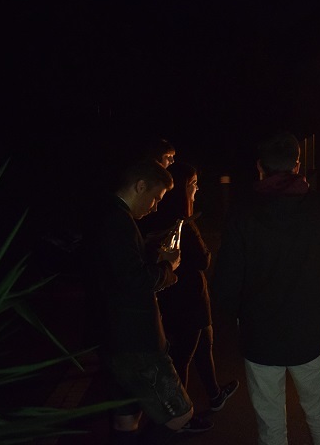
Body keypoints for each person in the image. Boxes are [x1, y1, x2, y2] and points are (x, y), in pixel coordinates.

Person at [211, 131, 320, 445]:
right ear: (297, 165)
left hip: (260, 338)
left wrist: (238, 322)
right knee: (319, 416)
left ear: (260, 166)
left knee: (271, 426)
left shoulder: (243, 213)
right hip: (309, 335)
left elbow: (226, 282)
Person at [87, 158, 204, 444]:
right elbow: (135, 281)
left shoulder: (105, 214)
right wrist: (168, 268)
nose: (155, 207)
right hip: (138, 342)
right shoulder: (119, 222)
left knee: (126, 420)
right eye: (155, 198)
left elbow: (120, 272)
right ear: (140, 186)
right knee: (181, 415)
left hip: (114, 338)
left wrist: (153, 258)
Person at [137, 162, 239, 431]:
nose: (197, 189)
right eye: (193, 185)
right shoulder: (181, 222)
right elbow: (203, 259)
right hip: (188, 300)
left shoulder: (154, 219)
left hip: (180, 297)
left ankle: (214, 394)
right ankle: (178, 417)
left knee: (204, 343)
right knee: (182, 356)